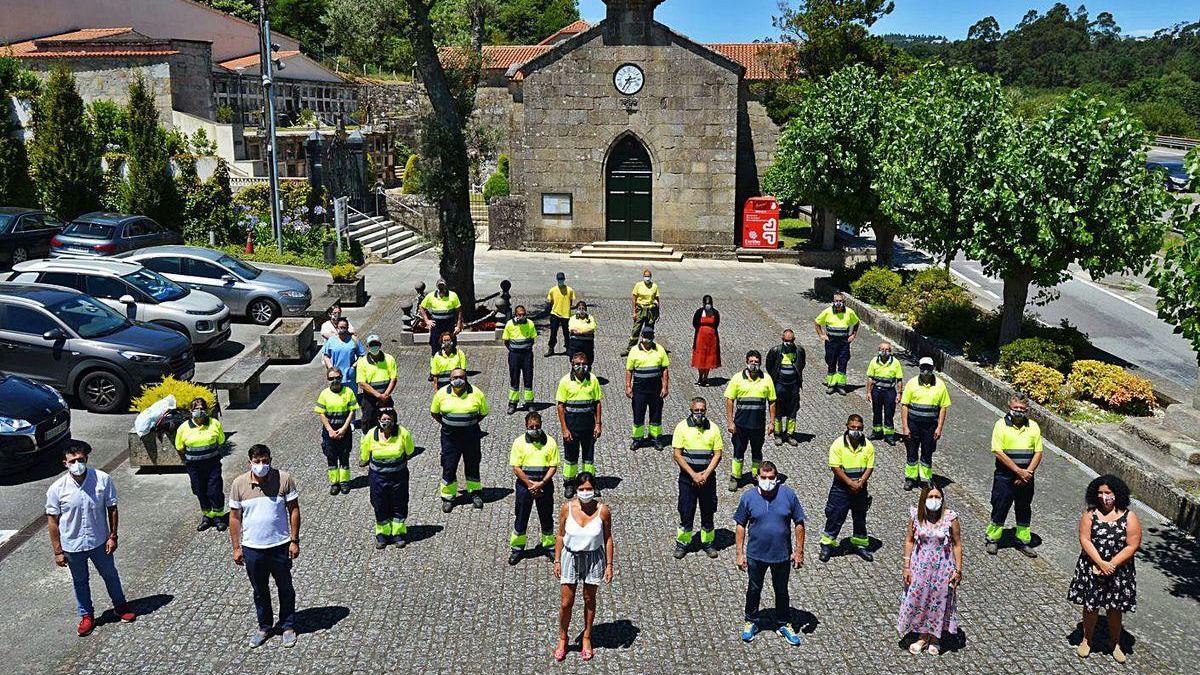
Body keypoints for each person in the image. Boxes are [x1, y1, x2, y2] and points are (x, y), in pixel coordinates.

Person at [46, 441, 136, 637]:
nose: (78, 463)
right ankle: (87, 615)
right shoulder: (57, 488)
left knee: (110, 574)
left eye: (81, 459)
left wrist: (113, 536)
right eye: (73, 460)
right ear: (65, 463)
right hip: (72, 545)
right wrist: (58, 551)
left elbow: (112, 508)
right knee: (80, 581)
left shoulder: (102, 479)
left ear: (86, 458)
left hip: (99, 541)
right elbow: (52, 521)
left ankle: (120, 606)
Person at [228, 444, 301, 649]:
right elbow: (234, 518)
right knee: (259, 590)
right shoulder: (239, 484)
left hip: (280, 545)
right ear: (249, 463)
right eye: (257, 462)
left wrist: (294, 540)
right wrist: (236, 547)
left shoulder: (284, 479)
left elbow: (294, 510)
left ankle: (287, 625)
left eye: (265, 461)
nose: (262, 465)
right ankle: (265, 626)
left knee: (285, 587)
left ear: (270, 460)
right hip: (252, 548)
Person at [1068, 475, 1141, 664]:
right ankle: (1087, 639)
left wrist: (1111, 564)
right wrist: (1100, 562)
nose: (1103, 497)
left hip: (1118, 571)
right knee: (1091, 606)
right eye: (1100, 493)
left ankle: (1115, 642)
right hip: (1092, 566)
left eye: (1107, 493)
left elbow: (1132, 545)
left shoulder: (1129, 516)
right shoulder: (1090, 514)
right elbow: (1085, 539)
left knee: (1115, 609)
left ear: (1117, 494)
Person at [734, 461, 806, 646]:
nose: (767, 481)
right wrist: (739, 554)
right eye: (764, 478)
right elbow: (740, 525)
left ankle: (783, 622)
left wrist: (799, 551)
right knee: (754, 589)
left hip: (781, 555)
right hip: (756, 555)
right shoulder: (748, 497)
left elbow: (799, 522)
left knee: (781, 590)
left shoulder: (788, 495)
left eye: (771, 478)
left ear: (777, 477)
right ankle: (751, 620)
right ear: (757, 477)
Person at [553, 473, 614, 663]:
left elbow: (608, 538)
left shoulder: (603, 511)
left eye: (588, 489)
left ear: (594, 490)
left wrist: (609, 565)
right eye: (581, 489)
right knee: (566, 602)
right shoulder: (567, 508)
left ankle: (587, 637)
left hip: (593, 558)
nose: (585, 492)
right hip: (570, 556)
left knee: (589, 599)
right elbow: (561, 535)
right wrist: (556, 560)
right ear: (576, 491)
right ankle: (563, 638)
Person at [898, 485, 962, 656]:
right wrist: (906, 566)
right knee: (920, 600)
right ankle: (922, 635)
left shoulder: (950, 518)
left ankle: (935, 636)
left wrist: (958, 569)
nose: (934, 500)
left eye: (937, 497)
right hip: (920, 567)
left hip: (943, 569)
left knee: (939, 601)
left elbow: (957, 544)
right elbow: (909, 541)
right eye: (931, 497)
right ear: (924, 499)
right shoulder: (916, 517)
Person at [986, 393, 1042, 558]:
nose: (1019, 411)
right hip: (1005, 475)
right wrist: (1018, 471)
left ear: (1027, 410)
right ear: (1009, 408)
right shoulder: (1000, 425)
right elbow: (998, 451)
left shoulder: (1033, 426)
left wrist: (1028, 473)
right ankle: (993, 539)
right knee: (1000, 505)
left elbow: (1038, 452)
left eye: (1022, 409)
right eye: (1015, 408)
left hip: (1026, 477)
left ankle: (1022, 540)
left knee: (1024, 508)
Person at [430, 368, 489, 512]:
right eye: (455, 377)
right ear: (450, 379)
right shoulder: (441, 393)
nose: (458, 380)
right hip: (450, 438)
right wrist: (449, 423)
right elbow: (435, 413)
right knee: (449, 466)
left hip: (471, 436)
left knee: (473, 464)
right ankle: (448, 497)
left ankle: (475, 493)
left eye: (461, 377)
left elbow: (483, 413)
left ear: (466, 378)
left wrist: (468, 422)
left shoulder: (477, 393)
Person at [671, 397, 723, 559]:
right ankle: (683, 544)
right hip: (688, 478)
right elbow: (677, 455)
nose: (700, 413)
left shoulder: (713, 428)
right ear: (691, 410)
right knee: (686, 510)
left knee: (708, 510)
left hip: (707, 478)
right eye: (696, 410)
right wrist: (693, 474)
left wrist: (705, 474)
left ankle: (708, 543)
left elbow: (718, 454)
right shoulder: (681, 427)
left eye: (702, 410)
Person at [819, 414, 875, 562]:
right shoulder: (837, 444)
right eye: (853, 428)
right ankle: (827, 545)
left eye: (859, 428)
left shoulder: (868, 445)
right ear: (847, 427)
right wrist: (850, 483)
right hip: (841, 488)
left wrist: (861, 481)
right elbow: (835, 467)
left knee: (860, 517)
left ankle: (860, 544)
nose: (855, 430)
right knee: (835, 515)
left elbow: (870, 467)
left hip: (860, 487)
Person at [359, 408, 416, 549]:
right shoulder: (371, 435)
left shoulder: (403, 433)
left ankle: (398, 534)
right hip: (378, 478)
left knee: (399, 503)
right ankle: (382, 535)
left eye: (389, 419)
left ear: (394, 420)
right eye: (383, 419)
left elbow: (410, 451)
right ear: (378, 420)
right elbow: (365, 456)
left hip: (399, 477)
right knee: (379, 504)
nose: (386, 422)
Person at [509, 411, 560, 565]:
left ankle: (549, 546)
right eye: (531, 426)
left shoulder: (550, 442)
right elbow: (516, 468)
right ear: (526, 426)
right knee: (521, 516)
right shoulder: (519, 442)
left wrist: (542, 483)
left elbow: (553, 466)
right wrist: (531, 484)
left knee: (546, 515)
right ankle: (517, 549)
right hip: (525, 486)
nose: (534, 428)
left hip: (544, 485)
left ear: (541, 425)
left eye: (537, 426)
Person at [725, 351, 777, 491]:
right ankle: (736, 477)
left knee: (757, 452)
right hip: (741, 425)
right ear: (746, 362)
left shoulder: (766, 379)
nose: (754, 364)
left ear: (760, 363)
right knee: (738, 451)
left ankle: (756, 476)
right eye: (752, 361)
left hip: (758, 425)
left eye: (757, 361)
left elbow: (772, 402)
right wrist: (730, 422)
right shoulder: (737, 378)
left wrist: (772, 422)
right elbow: (730, 400)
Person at [174, 397, 228, 531]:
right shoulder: (183, 428)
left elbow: (221, 441)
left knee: (214, 490)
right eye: (196, 409)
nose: (199, 411)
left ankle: (219, 516)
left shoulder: (214, 424)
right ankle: (207, 516)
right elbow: (179, 446)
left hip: (212, 464)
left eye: (202, 408)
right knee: (200, 490)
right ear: (191, 411)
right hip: (194, 467)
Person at [555, 351, 604, 498]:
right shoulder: (565, 381)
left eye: (584, 364)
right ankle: (569, 484)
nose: (581, 367)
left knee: (588, 458)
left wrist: (598, 423)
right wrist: (564, 429)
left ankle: (590, 483)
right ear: (572, 363)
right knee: (571, 458)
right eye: (578, 364)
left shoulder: (593, 379)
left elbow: (597, 403)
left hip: (588, 426)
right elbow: (560, 406)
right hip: (572, 427)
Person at [900, 357, 951, 490]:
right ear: (919, 368)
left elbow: (943, 408)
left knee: (927, 452)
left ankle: (926, 479)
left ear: (933, 369)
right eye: (923, 368)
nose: (926, 371)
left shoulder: (940, 385)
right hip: (913, 424)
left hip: (930, 426)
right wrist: (905, 427)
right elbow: (905, 405)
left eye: (928, 368)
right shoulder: (911, 383)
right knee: (911, 451)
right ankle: (911, 478)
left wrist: (939, 428)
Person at [624, 325, 670, 451]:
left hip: (656, 387)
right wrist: (628, 386)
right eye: (645, 336)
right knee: (638, 413)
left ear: (653, 337)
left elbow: (665, 369)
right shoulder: (634, 351)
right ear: (642, 336)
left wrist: (665, 386)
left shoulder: (660, 349)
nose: (647, 339)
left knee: (656, 414)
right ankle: (637, 439)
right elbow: (629, 370)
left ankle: (655, 438)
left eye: (650, 336)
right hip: (639, 388)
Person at [314, 368, 358, 495]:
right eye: (331, 378)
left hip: (344, 431)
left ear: (341, 377)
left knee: (344, 456)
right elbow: (321, 413)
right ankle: (334, 483)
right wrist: (330, 430)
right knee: (331, 458)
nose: (335, 380)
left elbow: (352, 411)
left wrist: (344, 428)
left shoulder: (348, 392)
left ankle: (345, 482)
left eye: (337, 377)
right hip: (329, 432)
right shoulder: (324, 394)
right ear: (327, 380)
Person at [813, 292, 860, 395]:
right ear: (833, 301)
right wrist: (821, 335)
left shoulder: (849, 312)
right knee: (831, 361)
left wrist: (853, 335)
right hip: (831, 341)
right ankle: (831, 384)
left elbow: (856, 323)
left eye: (840, 301)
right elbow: (817, 323)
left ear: (844, 302)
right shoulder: (827, 312)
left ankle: (841, 386)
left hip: (844, 342)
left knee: (843, 362)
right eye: (836, 301)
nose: (838, 303)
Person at [765, 330, 805, 447]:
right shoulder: (775, 351)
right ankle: (778, 434)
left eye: (791, 340)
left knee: (792, 411)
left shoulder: (799, 351)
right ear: (782, 339)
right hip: (779, 385)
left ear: (794, 339)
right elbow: (769, 366)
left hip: (793, 386)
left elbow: (802, 364)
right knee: (777, 410)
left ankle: (789, 434)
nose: (789, 343)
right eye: (786, 341)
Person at [355, 334, 397, 432]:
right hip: (370, 399)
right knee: (368, 423)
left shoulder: (389, 359)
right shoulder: (362, 362)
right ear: (367, 347)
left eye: (376, 344)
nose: (374, 347)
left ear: (380, 345)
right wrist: (378, 395)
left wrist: (385, 395)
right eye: (371, 345)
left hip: (386, 398)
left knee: (389, 421)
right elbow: (362, 383)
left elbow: (393, 379)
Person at [865, 341, 904, 445]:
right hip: (877, 390)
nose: (884, 351)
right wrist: (868, 392)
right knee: (876, 411)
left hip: (889, 391)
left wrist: (899, 393)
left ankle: (889, 435)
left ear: (890, 351)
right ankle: (877, 432)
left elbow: (899, 380)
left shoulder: (895, 363)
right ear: (878, 350)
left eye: (887, 350)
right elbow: (870, 378)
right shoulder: (874, 361)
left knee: (889, 413)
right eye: (882, 349)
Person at [502, 305, 538, 414]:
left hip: (527, 355)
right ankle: (513, 403)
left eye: (523, 314)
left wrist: (526, 348)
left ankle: (529, 403)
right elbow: (506, 341)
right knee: (514, 378)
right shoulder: (509, 324)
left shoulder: (530, 323)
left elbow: (532, 339)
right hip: (514, 355)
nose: (522, 316)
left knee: (528, 377)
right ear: (515, 315)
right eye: (519, 315)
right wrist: (513, 349)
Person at [321, 318, 366, 395]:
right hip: (335, 377)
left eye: (344, 327)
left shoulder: (353, 340)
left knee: (351, 398)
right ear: (337, 328)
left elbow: (362, 355)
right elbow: (326, 356)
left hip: (349, 376)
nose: (342, 329)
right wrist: (331, 368)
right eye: (340, 327)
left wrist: (353, 366)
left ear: (347, 328)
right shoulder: (331, 341)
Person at [419, 278, 463, 355]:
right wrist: (427, 320)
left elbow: (459, 311)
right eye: (440, 286)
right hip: (436, 325)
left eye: (443, 286)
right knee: (435, 345)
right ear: (437, 286)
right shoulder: (431, 296)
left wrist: (458, 325)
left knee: (451, 345)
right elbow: (421, 307)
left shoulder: (453, 296)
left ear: (446, 286)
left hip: (449, 324)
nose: (441, 288)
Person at [624, 269, 660, 355]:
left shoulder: (654, 286)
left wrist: (658, 313)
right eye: (645, 276)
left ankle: (648, 347)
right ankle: (630, 349)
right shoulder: (638, 285)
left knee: (649, 330)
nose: (647, 278)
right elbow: (634, 298)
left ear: (651, 277)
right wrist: (634, 312)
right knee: (636, 330)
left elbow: (657, 299)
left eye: (648, 276)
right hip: (640, 310)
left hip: (650, 311)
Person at [690, 295, 721, 386]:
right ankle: (700, 376)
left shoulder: (715, 312)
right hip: (700, 337)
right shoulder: (699, 312)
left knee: (709, 357)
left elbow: (716, 324)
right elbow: (695, 323)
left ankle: (706, 378)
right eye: (706, 303)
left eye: (709, 303)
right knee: (700, 357)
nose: (708, 305)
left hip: (712, 338)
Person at [546, 272, 576, 357]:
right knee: (553, 333)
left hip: (566, 315)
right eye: (559, 279)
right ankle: (551, 348)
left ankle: (568, 348)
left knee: (566, 333)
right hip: (555, 314)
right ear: (557, 280)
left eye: (562, 279)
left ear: (564, 279)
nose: (560, 281)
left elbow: (570, 301)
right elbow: (551, 301)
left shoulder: (569, 290)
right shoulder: (553, 290)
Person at [567, 301, 597, 366]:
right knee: (575, 361)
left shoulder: (590, 318)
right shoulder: (573, 318)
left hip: (587, 344)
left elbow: (591, 329)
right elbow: (572, 329)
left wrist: (580, 331)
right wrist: (585, 332)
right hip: (575, 344)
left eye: (583, 308)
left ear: (586, 309)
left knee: (588, 361)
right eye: (579, 308)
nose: (581, 310)